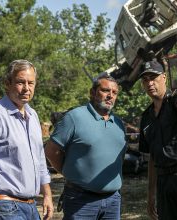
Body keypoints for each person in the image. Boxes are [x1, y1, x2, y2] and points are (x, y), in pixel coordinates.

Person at [0, 60, 53, 220]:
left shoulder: (33, 116)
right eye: (20, 82)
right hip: (4, 208)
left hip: (31, 207)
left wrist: (47, 194)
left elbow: (40, 161)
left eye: (31, 83)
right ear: (7, 84)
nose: (27, 88)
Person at [44, 74, 126, 220]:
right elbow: (51, 151)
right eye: (105, 90)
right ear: (92, 92)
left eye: (114, 93)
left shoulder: (119, 124)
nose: (110, 96)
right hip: (80, 199)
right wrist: (66, 171)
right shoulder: (74, 117)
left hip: (113, 201)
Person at [138, 59, 177, 220]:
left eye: (153, 77)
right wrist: (151, 194)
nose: (149, 83)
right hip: (163, 180)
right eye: (145, 80)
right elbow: (152, 157)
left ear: (164, 77)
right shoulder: (146, 117)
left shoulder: (175, 101)